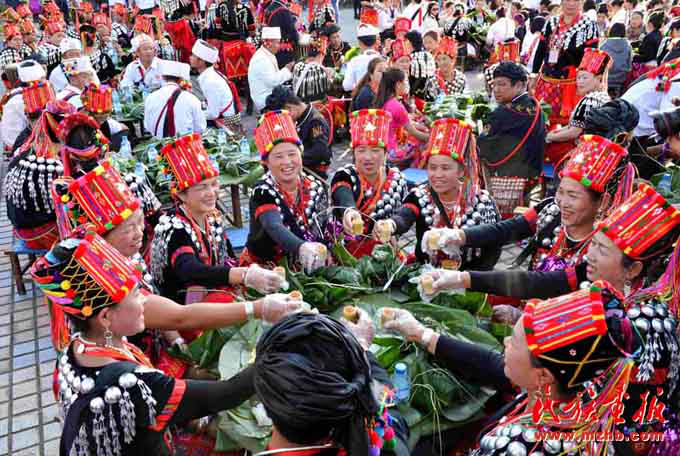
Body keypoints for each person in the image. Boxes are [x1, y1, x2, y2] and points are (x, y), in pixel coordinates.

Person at [32, 231, 277, 455]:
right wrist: (276, 350)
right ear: (105, 317)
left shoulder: (72, 351)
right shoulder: (133, 383)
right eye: (136, 295)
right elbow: (227, 394)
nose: (145, 302)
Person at [382, 280, 677, 456]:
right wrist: (423, 335)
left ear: (543, 375)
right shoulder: (576, 391)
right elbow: (493, 365)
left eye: (514, 342)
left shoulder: (520, 445)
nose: (505, 342)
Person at [417, 134, 632, 301]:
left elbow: (541, 283)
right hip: (527, 310)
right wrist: (457, 236)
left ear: (603, 202)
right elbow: (507, 230)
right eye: (561, 192)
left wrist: (463, 279)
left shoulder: (602, 249)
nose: (563, 202)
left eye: (573, 196)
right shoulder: (551, 210)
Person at [151, 132, 285, 307]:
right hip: (181, 309)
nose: (211, 193)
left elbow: (228, 257)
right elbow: (190, 270)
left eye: (214, 184)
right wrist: (243, 275)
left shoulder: (212, 217)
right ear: (182, 195)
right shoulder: (174, 227)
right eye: (202, 187)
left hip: (214, 295)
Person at [254, 312, 409, 455]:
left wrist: (253, 308)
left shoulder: (270, 373)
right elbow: (389, 412)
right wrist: (361, 349)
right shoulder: (376, 437)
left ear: (264, 399)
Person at [381, 118, 502, 270]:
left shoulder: (481, 202)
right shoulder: (420, 196)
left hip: (469, 278)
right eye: (432, 167)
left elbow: (493, 247)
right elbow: (404, 216)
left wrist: (471, 279)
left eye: (445, 168)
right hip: (427, 276)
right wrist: (390, 224)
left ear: (461, 171)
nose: (437, 175)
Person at [242, 110, 329, 269]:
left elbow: (323, 227)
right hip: (267, 270)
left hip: (308, 266)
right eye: (278, 157)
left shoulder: (315, 186)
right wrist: (302, 247)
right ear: (266, 162)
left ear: (301, 155)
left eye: (292, 154)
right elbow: (273, 226)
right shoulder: (262, 191)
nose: (287, 162)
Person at [331, 109, 409, 257]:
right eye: (361, 150)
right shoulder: (345, 175)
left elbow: (403, 216)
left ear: (385, 153)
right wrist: (350, 212)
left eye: (375, 150)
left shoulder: (396, 179)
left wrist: (392, 230)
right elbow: (343, 194)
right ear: (354, 153)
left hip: (385, 253)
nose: (368, 157)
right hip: (347, 256)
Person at [478, 62, 546, 217]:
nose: (496, 89)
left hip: (506, 185)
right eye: (494, 84)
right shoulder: (536, 107)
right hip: (534, 182)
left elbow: (484, 147)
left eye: (502, 84)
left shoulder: (502, 114)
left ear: (520, 85)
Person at [532, 0, 599, 126]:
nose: (571, 4)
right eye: (568, 0)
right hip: (546, 82)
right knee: (542, 120)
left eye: (575, 0)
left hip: (572, 84)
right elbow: (541, 49)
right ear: (562, 2)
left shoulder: (589, 26)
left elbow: (591, 58)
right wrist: (534, 74)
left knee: (568, 124)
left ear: (581, 3)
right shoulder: (552, 22)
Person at [545, 48, 611, 164]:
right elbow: (573, 126)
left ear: (599, 78)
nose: (580, 82)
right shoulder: (603, 96)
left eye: (585, 78)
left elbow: (574, 132)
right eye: (578, 78)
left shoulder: (590, 100)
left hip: (582, 152)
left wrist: (548, 137)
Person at [265, 86, 332, 177]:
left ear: (289, 109)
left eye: (283, 116)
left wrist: (291, 158)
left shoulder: (315, 121)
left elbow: (320, 151)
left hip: (313, 172)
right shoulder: (301, 118)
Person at [373, 68, 429, 165]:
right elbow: (414, 132)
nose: (407, 84)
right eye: (405, 81)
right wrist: (432, 138)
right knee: (421, 144)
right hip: (391, 153)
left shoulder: (382, 101)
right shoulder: (397, 106)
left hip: (380, 148)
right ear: (398, 84)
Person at [144, 60, 206, 139]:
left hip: (159, 144)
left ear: (163, 77)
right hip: (185, 144)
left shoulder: (150, 97)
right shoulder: (191, 98)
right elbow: (200, 128)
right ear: (181, 80)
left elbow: (147, 126)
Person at [1, 60, 52, 153]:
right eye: (42, 79)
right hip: (26, 150)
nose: (46, 81)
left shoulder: (16, 97)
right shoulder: (20, 100)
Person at [190, 40, 241, 130]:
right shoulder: (210, 75)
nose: (190, 58)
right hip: (224, 118)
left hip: (226, 123)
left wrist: (194, 114)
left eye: (193, 56)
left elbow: (213, 114)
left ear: (201, 61)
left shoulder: (210, 81)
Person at [248, 27, 295, 112]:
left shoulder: (267, 54)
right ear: (269, 43)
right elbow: (273, 81)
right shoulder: (261, 59)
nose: (279, 46)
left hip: (270, 94)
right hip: (265, 99)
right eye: (277, 43)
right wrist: (287, 69)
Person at [81, 83, 130, 152]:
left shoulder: (106, 122)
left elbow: (125, 128)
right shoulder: (81, 127)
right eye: (98, 114)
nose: (103, 118)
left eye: (107, 113)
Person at [342, 24, 381, 92]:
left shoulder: (355, 61)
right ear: (375, 42)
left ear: (360, 42)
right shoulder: (384, 59)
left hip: (360, 96)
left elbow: (347, 86)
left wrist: (360, 86)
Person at [291, 37, 331, 103]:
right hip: (316, 105)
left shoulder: (297, 66)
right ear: (321, 54)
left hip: (300, 104)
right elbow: (327, 90)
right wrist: (329, 77)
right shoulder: (320, 70)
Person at [262, 0, 299, 66]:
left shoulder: (268, 9)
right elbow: (293, 34)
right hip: (283, 52)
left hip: (269, 50)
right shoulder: (283, 10)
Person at [600, 22, 632, 97]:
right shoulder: (628, 46)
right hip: (621, 78)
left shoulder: (603, 45)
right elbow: (629, 66)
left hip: (606, 78)